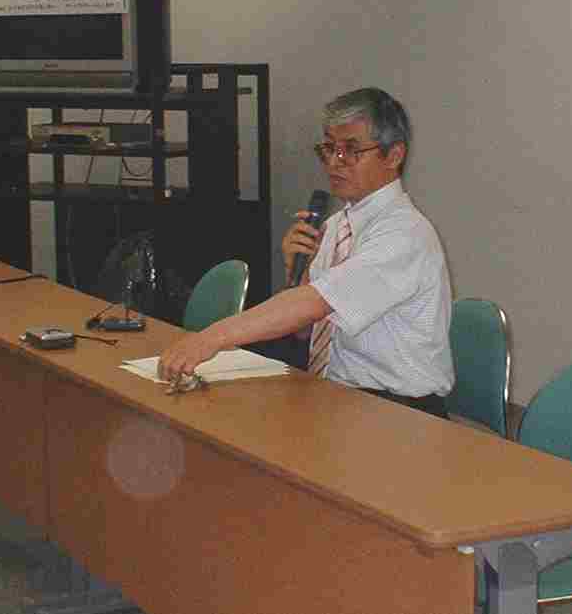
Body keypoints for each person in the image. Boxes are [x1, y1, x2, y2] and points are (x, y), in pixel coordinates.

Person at [157, 87, 454, 417]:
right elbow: (306, 329)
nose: (334, 162)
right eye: (329, 149)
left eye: (351, 150)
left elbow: (313, 304)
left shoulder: (404, 233)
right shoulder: (336, 226)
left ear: (394, 155)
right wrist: (297, 275)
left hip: (401, 412)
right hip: (340, 395)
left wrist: (210, 338)